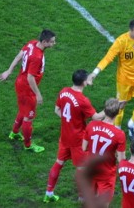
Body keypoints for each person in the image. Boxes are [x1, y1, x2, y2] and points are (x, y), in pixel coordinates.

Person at [42, 69, 105, 203]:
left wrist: (67, 121)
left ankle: (49, 192)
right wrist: (111, 108)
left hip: (65, 136)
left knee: (59, 163)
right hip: (78, 140)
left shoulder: (64, 91)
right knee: (81, 168)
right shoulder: (83, 100)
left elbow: (56, 110)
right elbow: (96, 118)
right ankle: (82, 197)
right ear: (83, 82)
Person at [0, 29, 57, 153]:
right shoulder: (37, 57)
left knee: (23, 109)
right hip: (27, 87)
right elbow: (31, 77)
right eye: (52, 42)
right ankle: (28, 145)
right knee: (28, 117)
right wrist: (38, 94)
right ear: (45, 42)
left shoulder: (32, 43)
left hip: (20, 82)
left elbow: (19, 56)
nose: (54, 44)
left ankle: (14, 133)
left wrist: (9, 71)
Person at [82, 98, 127, 207]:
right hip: (106, 174)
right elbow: (121, 160)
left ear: (105, 111)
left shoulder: (91, 125)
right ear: (118, 113)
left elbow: (84, 148)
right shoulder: (119, 134)